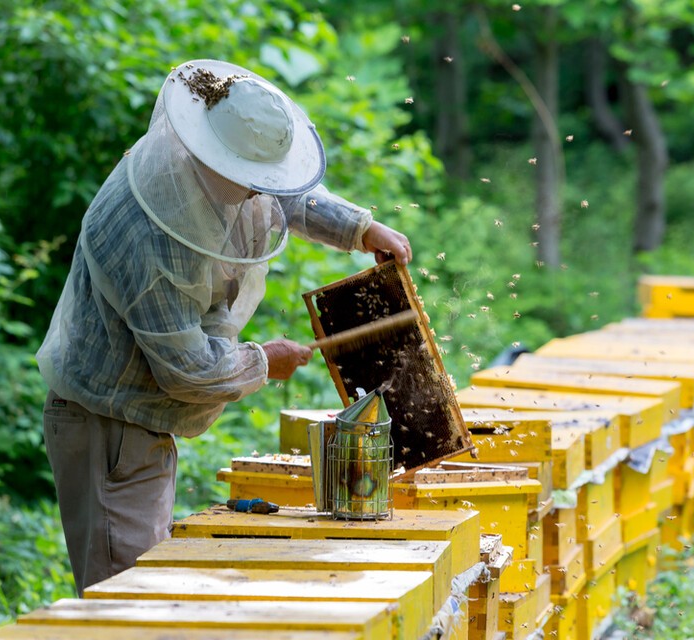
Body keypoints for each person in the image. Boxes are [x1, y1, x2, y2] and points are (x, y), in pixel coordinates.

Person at [35, 59, 413, 595]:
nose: (257, 191)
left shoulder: (206, 162)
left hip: (133, 427)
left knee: (145, 603)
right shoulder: (148, 237)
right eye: (247, 180)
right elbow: (187, 370)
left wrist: (359, 227)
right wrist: (265, 361)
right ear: (216, 159)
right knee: (124, 611)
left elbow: (277, 191)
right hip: (108, 429)